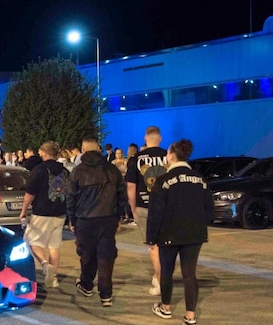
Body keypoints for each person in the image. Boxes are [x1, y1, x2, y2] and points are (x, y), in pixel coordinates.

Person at [148, 139, 213, 325]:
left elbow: (156, 212)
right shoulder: (199, 179)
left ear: (171, 156)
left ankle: (165, 307)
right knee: (189, 274)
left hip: (169, 232)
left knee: (167, 271)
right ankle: (190, 315)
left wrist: (152, 237)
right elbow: (209, 209)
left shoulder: (163, 181)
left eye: (167, 154)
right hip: (194, 234)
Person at [66, 137, 127, 307]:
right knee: (106, 256)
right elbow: (122, 196)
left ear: (83, 149)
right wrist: (118, 217)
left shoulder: (77, 171)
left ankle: (86, 284)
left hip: (85, 219)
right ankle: (106, 294)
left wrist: (72, 219)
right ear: (98, 149)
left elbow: (70, 197)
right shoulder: (112, 170)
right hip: (107, 218)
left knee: (87, 254)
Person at [18, 141, 69, 289]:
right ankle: (53, 279)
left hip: (42, 212)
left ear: (45, 153)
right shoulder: (65, 171)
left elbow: (30, 193)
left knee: (32, 241)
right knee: (54, 246)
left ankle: (46, 266)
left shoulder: (39, 170)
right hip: (60, 212)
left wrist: (23, 211)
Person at [125, 125, 168, 296]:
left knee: (153, 246)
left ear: (145, 139)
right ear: (161, 138)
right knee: (165, 245)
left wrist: (133, 208)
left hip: (144, 206)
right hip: (166, 207)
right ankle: (160, 277)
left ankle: (159, 280)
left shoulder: (136, 158)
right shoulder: (168, 156)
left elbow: (130, 186)